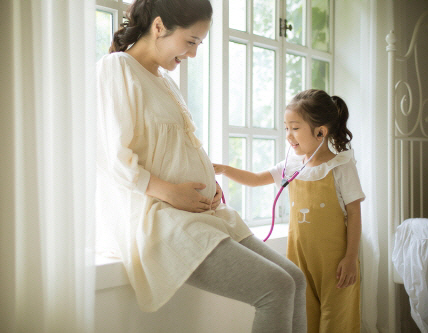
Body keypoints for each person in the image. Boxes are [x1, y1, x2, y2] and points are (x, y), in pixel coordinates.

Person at [95, 0, 307, 332]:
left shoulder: (165, 81)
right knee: (275, 288)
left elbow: (173, 146)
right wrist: (170, 192)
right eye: (190, 41)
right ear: (160, 26)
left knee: (295, 278)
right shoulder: (117, 68)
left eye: (198, 44)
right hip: (160, 217)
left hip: (203, 213)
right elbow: (112, 158)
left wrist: (207, 177)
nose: (193, 54)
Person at [214, 89, 365, 333]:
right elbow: (254, 179)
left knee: (337, 319)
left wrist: (350, 258)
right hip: (300, 257)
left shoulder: (341, 166)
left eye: (294, 128)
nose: (288, 135)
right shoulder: (292, 165)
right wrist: (223, 169)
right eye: (286, 128)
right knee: (306, 317)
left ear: (320, 132)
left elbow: (355, 214)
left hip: (335, 262)